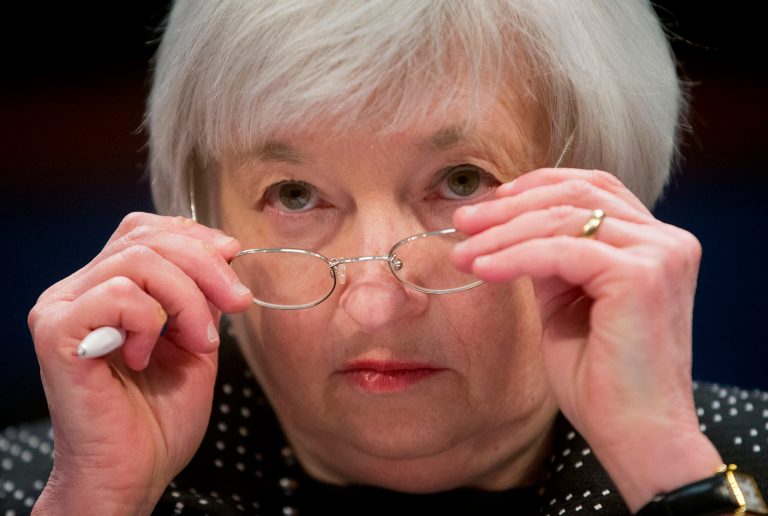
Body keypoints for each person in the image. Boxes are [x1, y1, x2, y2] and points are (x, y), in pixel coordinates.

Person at [3, 1, 767, 514]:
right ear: (197, 221)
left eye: (461, 182)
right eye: (296, 194)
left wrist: (671, 471)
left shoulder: (744, 458)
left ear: (606, 201)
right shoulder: (38, 489)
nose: (375, 302)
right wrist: (96, 499)